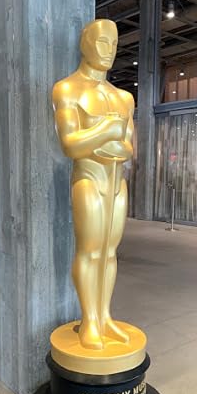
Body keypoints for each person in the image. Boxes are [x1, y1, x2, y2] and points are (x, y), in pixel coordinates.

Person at [53, 19, 134, 349]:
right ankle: (89, 320)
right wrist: (107, 132)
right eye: (102, 42)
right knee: (89, 250)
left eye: (114, 44)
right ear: (84, 43)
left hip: (117, 183)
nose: (109, 50)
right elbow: (70, 144)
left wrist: (104, 140)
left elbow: (128, 149)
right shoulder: (67, 89)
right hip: (89, 179)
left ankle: (104, 317)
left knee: (110, 252)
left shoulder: (124, 98)